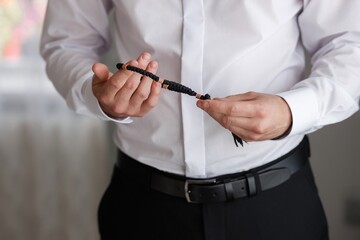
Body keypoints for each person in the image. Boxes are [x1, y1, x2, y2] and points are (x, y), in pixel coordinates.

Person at [40, 1, 360, 239]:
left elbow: (350, 42)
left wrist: (293, 111)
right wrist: (95, 91)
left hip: (277, 207)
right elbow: (66, 41)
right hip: (142, 209)